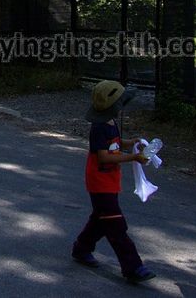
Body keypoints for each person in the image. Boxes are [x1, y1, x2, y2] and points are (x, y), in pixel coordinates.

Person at [71, 80, 156, 284]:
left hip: (110, 180)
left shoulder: (111, 123)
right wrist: (132, 158)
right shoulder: (99, 128)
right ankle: (133, 267)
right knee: (116, 225)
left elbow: (115, 144)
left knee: (101, 220)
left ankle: (81, 248)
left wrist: (131, 143)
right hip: (99, 183)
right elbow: (104, 157)